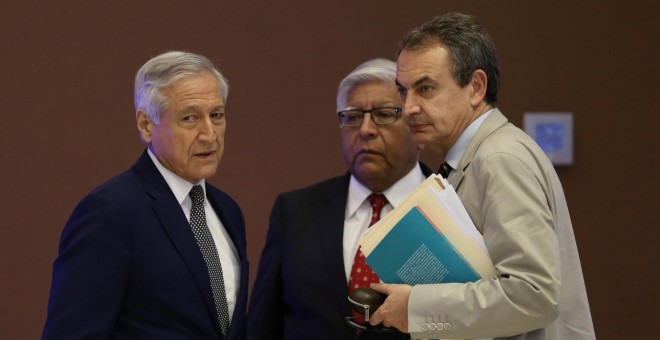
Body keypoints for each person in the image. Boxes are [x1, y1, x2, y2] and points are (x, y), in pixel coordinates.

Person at [368, 12, 596, 340]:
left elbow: (534, 295)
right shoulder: (474, 158)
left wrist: (416, 308)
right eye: (404, 92)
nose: (409, 108)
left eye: (426, 88)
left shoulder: (500, 159)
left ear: (476, 88)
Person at [42, 51, 249, 339]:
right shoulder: (109, 213)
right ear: (146, 125)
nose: (209, 134)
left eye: (216, 115)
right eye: (190, 118)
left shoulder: (228, 210)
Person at [247, 58, 432, 340]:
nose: (366, 129)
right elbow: (262, 327)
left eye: (383, 114)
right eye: (353, 116)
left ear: (416, 125)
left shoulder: (455, 206)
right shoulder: (295, 213)